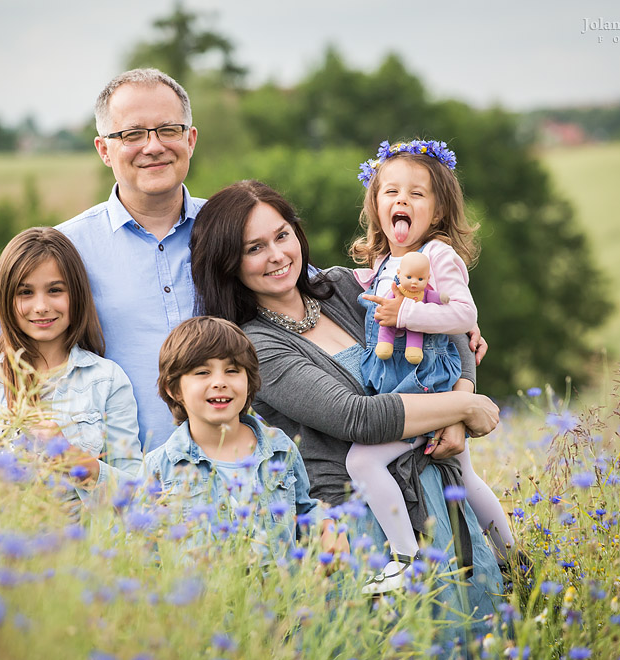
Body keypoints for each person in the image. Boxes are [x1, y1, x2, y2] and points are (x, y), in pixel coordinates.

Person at [189, 180, 503, 630]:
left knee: (479, 637)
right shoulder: (253, 345)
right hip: (362, 526)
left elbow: (446, 327)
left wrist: (463, 400)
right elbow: (358, 419)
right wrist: (462, 408)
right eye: (254, 248)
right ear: (228, 264)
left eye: (282, 235)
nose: (277, 255)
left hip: (439, 495)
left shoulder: (340, 286)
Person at [0, 68, 202, 452]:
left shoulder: (234, 231)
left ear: (190, 139)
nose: (153, 146)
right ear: (103, 150)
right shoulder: (69, 246)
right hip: (120, 477)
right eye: (132, 134)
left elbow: (290, 295)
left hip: (235, 472)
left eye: (168, 130)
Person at [343, 140, 517, 592]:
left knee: (362, 461)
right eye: (391, 192)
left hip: (424, 384)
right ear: (376, 204)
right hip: (401, 381)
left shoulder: (439, 255)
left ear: (438, 211)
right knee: (465, 476)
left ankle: (405, 558)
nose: (401, 200)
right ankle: (513, 561)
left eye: (416, 194)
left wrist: (407, 314)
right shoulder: (384, 261)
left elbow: (464, 313)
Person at [0, 227, 141, 501]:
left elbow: (134, 495)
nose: (41, 306)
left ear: (77, 294)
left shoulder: (107, 380)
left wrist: (69, 456)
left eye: (55, 290)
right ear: (5, 299)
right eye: (25, 292)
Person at [144, 316, 344, 561]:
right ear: (174, 389)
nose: (219, 382)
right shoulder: (160, 467)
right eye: (202, 372)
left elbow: (302, 507)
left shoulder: (279, 447)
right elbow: (148, 550)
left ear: (249, 382)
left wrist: (326, 524)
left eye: (232, 371)